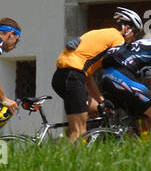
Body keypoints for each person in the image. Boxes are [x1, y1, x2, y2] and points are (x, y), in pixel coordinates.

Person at [52, 8, 144, 141]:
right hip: (72, 76)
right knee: (80, 131)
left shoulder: (102, 35)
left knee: (95, 110)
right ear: (127, 28)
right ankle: (73, 160)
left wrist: (101, 101)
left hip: (65, 76)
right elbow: (119, 69)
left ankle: (61, 147)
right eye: (134, 33)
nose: (134, 38)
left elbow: (87, 77)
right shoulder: (117, 39)